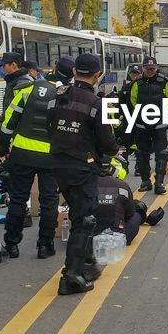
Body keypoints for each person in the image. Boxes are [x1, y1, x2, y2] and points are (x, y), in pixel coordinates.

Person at [46, 53, 118, 295]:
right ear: (97, 75)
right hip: (83, 166)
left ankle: (87, 263)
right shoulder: (99, 103)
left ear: (74, 71)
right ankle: (72, 276)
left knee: (80, 214)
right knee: (84, 219)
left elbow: (48, 126)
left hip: (58, 164)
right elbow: (108, 142)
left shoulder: (55, 97)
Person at [0, 65, 63, 259]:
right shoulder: (66, 94)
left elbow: (8, 122)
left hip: (23, 154)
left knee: (18, 198)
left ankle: (11, 244)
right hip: (51, 157)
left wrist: (1, 149)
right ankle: (45, 245)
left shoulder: (28, 89)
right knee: (49, 201)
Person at [127, 56, 168, 194]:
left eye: (152, 68)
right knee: (142, 154)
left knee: (161, 154)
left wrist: (161, 112)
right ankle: (145, 181)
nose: (150, 71)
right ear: (143, 68)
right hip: (142, 124)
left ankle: (159, 183)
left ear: (156, 68)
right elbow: (133, 101)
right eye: (147, 69)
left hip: (159, 124)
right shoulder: (136, 83)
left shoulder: (163, 82)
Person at [93, 155, 162, 244]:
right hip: (117, 236)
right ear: (111, 168)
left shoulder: (86, 185)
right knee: (136, 215)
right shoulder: (122, 186)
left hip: (92, 234)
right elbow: (130, 214)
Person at [117, 64, 142, 174]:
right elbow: (120, 103)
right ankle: (124, 166)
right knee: (125, 144)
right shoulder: (125, 87)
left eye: (137, 73)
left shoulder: (142, 87)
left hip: (140, 119)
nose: (134, 75)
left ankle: (138, 168)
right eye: (133, 73)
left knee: (139, 145)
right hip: (127, 119)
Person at [0, 51, 33, 122]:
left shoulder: (23, 83)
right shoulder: (13, 80)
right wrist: (2, 117)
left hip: (17, 127)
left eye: (4, 66)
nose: (3, 69)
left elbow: (23, 108)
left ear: (13, 65)